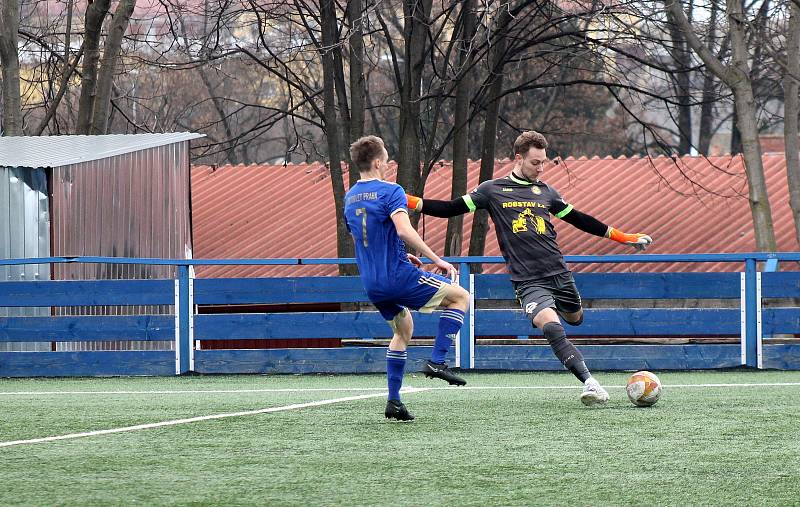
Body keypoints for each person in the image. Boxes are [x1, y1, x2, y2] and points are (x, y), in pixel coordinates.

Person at [406, 131, 653, 406]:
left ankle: (560, 314)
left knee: (575, 319)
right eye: (536, 162)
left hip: (559, 273)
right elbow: (449, 208)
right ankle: (591, 383)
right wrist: (406, 200)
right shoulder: (491, 190)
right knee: (551, 327)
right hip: (528, 281)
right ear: (519, 158)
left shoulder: (546, 192)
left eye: (544, 162)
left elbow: (581, 220)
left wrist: (624, 237)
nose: (541, 168)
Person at [344, 135, 471, 421]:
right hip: (397, 277)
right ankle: (437, 362)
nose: (388, 165)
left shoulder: (349, 197)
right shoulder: (392, 191)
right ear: (377, 162)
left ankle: (394, 401)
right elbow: (402, 229)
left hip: (373, 284)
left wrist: (401, 255)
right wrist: (435, 259)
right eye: (386, 160)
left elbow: (361, 238)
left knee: (403, 331)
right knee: (460, 297)